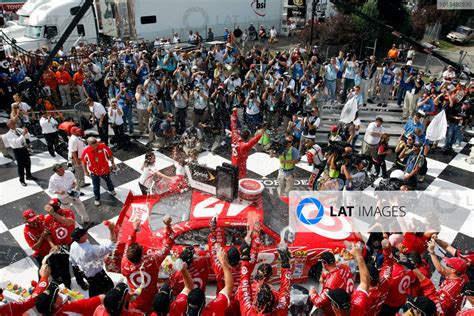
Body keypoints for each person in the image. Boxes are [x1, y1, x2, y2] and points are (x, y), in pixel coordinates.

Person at [121, 217, 174, 313]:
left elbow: (127, 246)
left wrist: (134, 231)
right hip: (153, 301)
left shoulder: (124, 263)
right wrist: (168, 226)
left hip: (135, 302)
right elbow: (168, 245)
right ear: (142, 255)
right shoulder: (152, 260)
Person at [69, 224, 116, 298]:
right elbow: (110, 246)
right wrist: (112, 230)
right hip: (98, 277)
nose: (86, 233)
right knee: (108, 288)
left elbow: (72, 261)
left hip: (87, 275)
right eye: (84, 233)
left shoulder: (73, 245)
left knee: (94, 290)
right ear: (80, 238)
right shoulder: (90, 250)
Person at [81, 137, 116, 206]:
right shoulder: (86, 151)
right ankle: (97, 199)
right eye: (93, 145)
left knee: (108, 180)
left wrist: (113, 163)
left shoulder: (103, 146)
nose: (96, 146)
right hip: (94, 172)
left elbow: (110, 155)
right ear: (89, 145)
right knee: (96, 186)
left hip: (105, 169)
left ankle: (111, 190)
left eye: (96, 144)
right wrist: (85, 171)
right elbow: (83, 162)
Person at [35, 282, 105, 315]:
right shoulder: (71, 308)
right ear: (55, 305)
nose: (59, 293)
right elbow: (102, 297)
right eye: (56, 295)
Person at [230, 108, 262, 179]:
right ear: (247, 138)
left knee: (233, 178)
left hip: (233, 163)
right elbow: (252, 142)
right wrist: (260, 134)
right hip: (240, 166)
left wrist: (234, 113)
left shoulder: (235, 137)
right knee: (241, 180)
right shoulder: (244, 146)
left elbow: (233, 126)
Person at [4, 119, 37, 186]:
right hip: (17, 150)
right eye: (13, 123)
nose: (14, 124)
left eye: (14, 123)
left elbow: (27, 137)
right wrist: (23, 135)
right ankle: (22, 180)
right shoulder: (8, 134)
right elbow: (16, 142)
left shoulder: (18, 129)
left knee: (28, 163)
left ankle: (29, 175)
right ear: (9, 125)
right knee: (21, 166)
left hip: (24, 148)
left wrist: (26, 133)